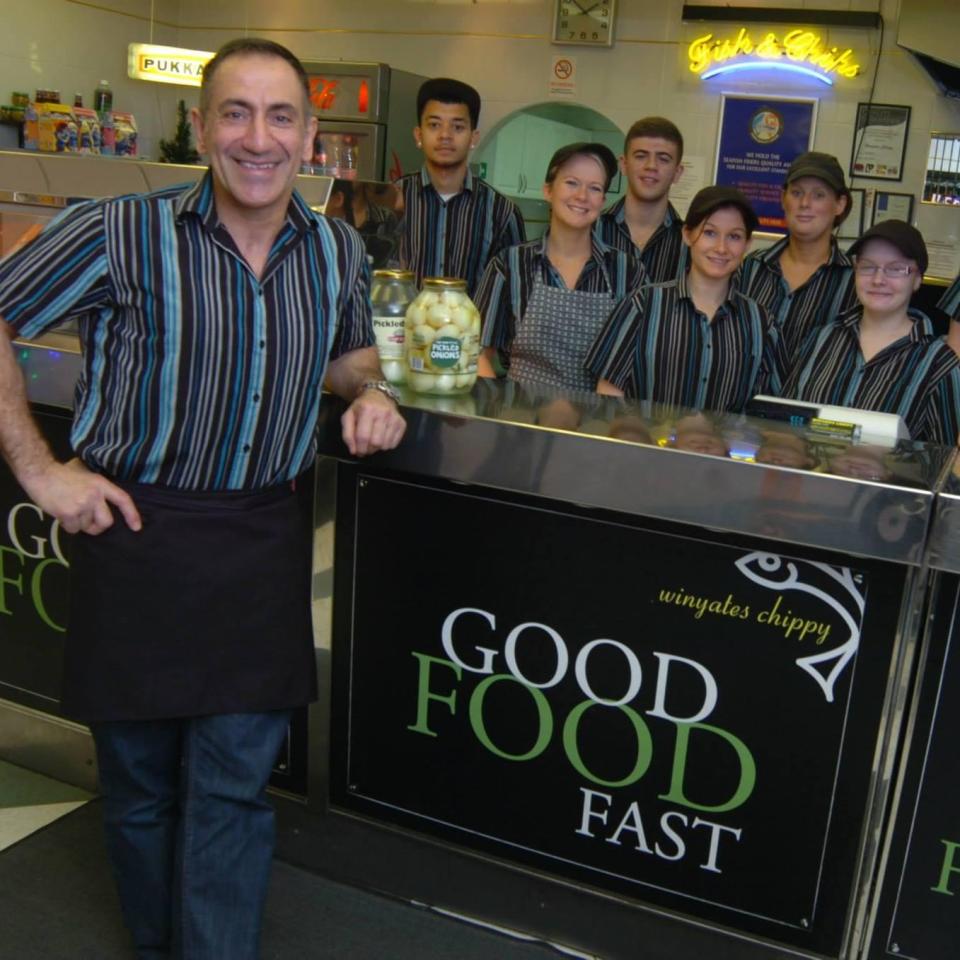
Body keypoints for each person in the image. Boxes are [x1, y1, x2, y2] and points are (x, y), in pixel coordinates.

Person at [0, 37, 405, 960]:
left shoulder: (337, 246)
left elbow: (346, 354)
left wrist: (372, 392)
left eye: (280, 116)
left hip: (260, 540)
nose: (257, 138)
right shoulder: (118, 230)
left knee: (231, 792)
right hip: (137, 534)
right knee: (141, 794)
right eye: (235, 112)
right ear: (201, 127)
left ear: (310, 137)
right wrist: (39, 470)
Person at [474, 142, 643, 396]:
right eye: (572, 183)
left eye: (594, 188)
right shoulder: (510, 264)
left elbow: (637, 366)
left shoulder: (628, 272)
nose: (582, 196)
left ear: (602, 201)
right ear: (548, 191)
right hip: (520, 422)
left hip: (594, 425)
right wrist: (500, 416)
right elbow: (477, 353)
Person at [587, 185, 774, 413]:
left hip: (720, 448)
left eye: (734, 236)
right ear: (687, 235)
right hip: (643, 446)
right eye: (710, 233)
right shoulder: (643, 304)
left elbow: (768, 414)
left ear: (747, 245)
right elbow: (608, 395)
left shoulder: (761, 322)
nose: (721, 248)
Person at [775, 220, 960, 445]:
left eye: (895, 269)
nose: (878, 279)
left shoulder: (940, 365)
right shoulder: (820, 339)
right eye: (868, 266)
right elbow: (784, 426)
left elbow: (941, 464)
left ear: (917, 279)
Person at [396, 77, 524, 295]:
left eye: (457, 127)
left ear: (473, 138)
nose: (445, 136)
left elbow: (514, 292)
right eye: (434, 125)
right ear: (418, 135)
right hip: (402, 329)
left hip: (475, 330)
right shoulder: (392, 199)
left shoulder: (502, 212)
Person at [737, 151, 857, 361]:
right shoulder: (752, 266)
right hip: (744, 394)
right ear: (783, 199)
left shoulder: (855, 281)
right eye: (797, 193)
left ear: (840, 204)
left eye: (819, 195)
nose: (805, 203)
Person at [595, 116, 687, 283]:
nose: (651, 166)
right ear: (623, 164)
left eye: (663, 158)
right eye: (641, 156)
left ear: (677, 172)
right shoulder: (591, 231)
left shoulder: (690, 243)